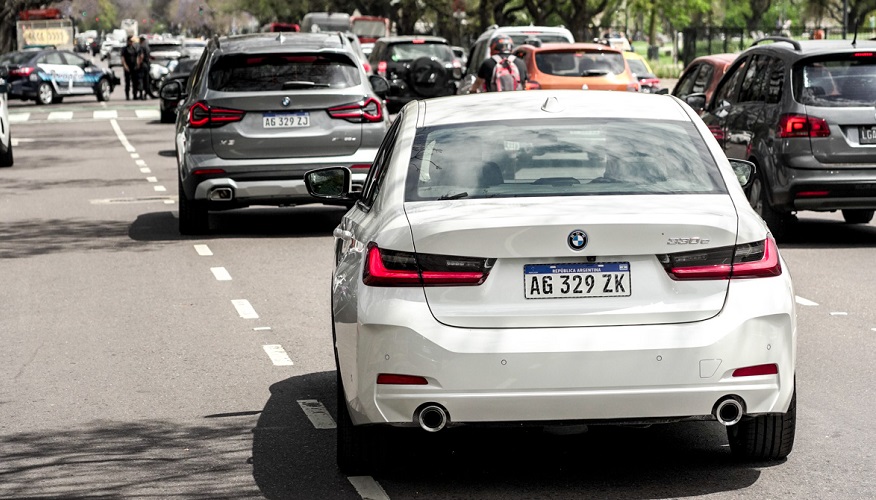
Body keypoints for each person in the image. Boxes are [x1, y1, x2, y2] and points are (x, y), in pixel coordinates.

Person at [121, 36, 143, 100]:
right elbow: (123, 58)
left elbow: (137, 56)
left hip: (134, 67)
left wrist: (137, 64)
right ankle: (127, 96)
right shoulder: (124, 49)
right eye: (130, 41)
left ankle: (135, 95)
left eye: (132, 41)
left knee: (134, 82)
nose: (131, 42)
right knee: (127, 82)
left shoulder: (134, 48)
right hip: (127, 67)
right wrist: (125, 66)